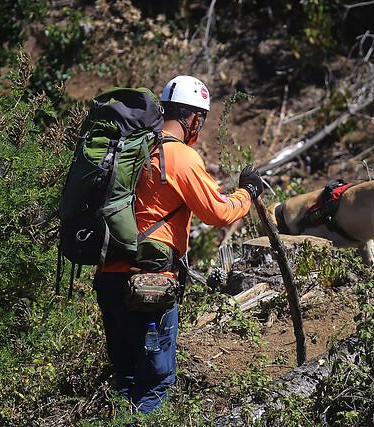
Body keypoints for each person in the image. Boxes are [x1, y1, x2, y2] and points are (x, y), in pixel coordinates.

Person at [93, 75, 264, 414]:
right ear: (194, 118)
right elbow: (220, 212)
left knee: (126, 378)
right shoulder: (180, 157)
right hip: (149, 285)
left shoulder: (132, 148)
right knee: (156, 383)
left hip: (109, 276)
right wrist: (248, 192)